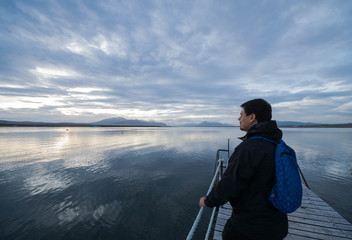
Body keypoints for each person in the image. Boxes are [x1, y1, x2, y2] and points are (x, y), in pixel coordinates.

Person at [199, 98, 288, 240]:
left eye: (241, 114)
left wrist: (208, 201)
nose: (238, 118)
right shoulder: (277, 143)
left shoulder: (249, 148)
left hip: (250, 228)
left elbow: (230, 183)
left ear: (252, 117)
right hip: (277, 224)